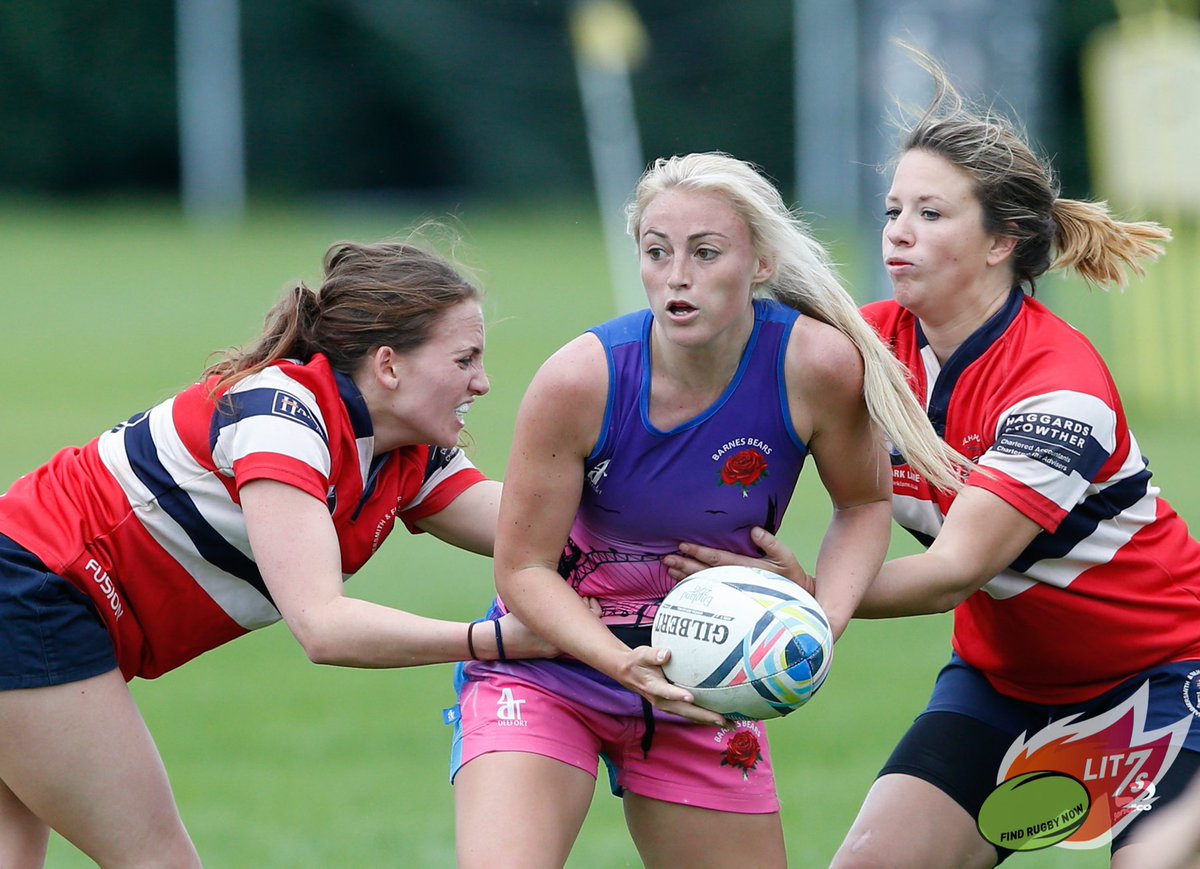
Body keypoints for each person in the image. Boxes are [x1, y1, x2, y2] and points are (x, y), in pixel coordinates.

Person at [665, 46, 1200, 868]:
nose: (898, 234)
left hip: (1169, 679)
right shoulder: (862, 347)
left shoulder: (1059, 391)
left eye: (931, 214)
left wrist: (808, 597)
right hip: (1003, 686)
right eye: (892, 211)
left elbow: (954, 570)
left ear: (1000, 242)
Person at [448, 151, 969, 868]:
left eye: (705, 252)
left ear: (758, 264)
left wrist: (817, 622)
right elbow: (524, 569)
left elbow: (864, 501)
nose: (677, 276)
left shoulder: (816, 366)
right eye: (657, 252)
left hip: (708, 683)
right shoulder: (579, 379)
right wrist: (621, 663)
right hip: (549, 668)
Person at [0, 238, 558, 867]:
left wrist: (680, 531)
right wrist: (500, 640)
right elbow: (323, 627)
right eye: (465, 359)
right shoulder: (281, 418)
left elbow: (535, 528)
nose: (482, 383)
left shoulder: (400, 449)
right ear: (389, 366)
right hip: (30, 595)